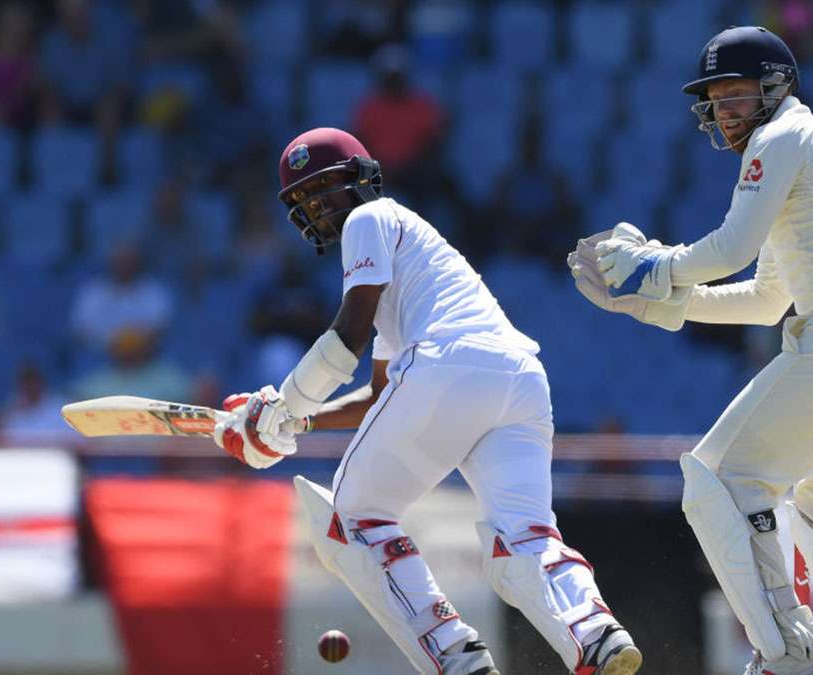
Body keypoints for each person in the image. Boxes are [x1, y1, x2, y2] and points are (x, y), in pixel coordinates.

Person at [568, 27, 813, 675]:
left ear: (777, 89)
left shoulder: (780, 139)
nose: (727, 112)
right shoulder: (804, 148)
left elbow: (728, 249)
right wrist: (660, 301)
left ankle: (789, 650)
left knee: (717, 478)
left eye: (739, 95)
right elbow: (768, 298)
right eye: (717, 100)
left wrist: (655, 267)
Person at [211, 128, 641, 675]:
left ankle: (455, 654)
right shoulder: (407, 262)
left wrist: (278, 406)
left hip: (449, 367)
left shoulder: (369, 220)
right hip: (517, 378)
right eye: (304, 200)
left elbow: (348, 337)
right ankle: (595, 631)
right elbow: (380, 395)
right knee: (524, 534)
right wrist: (295, 419)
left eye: (326, 191)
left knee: (354, 519)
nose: (318, 207)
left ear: (361, 181)